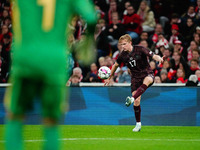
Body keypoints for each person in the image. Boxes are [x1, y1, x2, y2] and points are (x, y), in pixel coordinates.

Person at [4, 1, 96, 150]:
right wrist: (88, 41)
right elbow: (91, 18)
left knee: (15, 115)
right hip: (54, 60)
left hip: (26, 56)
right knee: (51, 120)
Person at [104, 34, 164, 132]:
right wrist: (108, 77)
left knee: (148, 80)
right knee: (137, 101)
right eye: (121, 45)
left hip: (146, 73)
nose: (123, 46)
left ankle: (131, 98)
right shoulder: (123, 55)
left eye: (124, 44)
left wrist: (159, 59)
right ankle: (138, 124)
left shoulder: (140, 49)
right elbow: (115, 65)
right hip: (135, 78)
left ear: (130, 43)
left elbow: (153, 55)